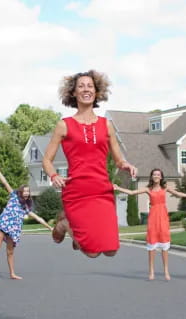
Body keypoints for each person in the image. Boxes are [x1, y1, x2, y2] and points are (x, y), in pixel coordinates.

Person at [42, 70, 137, 258]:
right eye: (81, 86)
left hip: (102, 190)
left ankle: (67, 225)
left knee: (111, 251)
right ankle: (64, 224)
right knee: (91, 253)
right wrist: (54, 175)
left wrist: (125, 165)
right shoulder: (64, 125)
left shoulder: (106, 125)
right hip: (77, 191)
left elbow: (118, 159)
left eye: (90, 86)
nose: (86, 89)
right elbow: (46, 160)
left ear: (97, 92)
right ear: (73, 93)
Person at [114, 169, 186, 280]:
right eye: (154, 174)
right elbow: (132, 193)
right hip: (153, 218)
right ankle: (151, 271)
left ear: (161, 177)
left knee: (164, 244)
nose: (156, 176)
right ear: (151, 176)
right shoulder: (148, 189)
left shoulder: (165, 188)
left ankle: (166, 271)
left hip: (163, 217)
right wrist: (118, 188)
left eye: (158, 174)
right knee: (152, 244)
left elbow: (178, 193)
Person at [0, 161, 53, 282]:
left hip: (14, 230)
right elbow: (5, 182)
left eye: (28, 191)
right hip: (4, 224)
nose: (27, 193)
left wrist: (50, 228)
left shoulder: (26, 208)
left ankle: (12, 273)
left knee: (10, 251)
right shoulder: (13, 196)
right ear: (21, 192)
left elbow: (38, 218)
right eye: (25, 191)